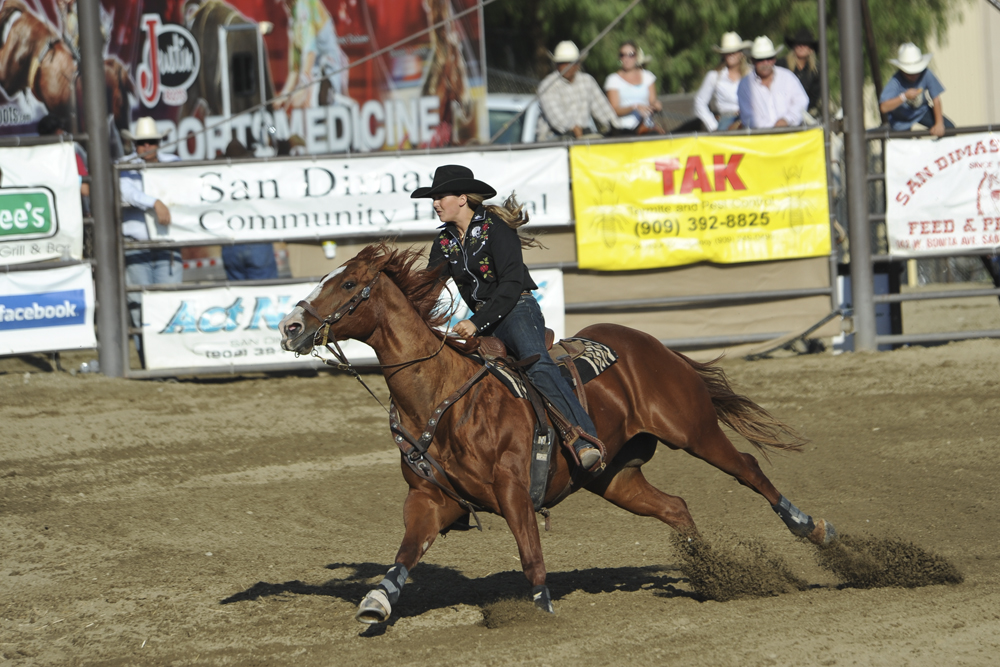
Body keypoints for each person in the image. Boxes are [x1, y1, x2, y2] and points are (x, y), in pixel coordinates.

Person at [418, 165, 604, 472]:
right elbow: (428, 287)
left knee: (537, 364)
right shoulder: (444, 242)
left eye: (441, 196)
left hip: (518, 309)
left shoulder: (496, 228)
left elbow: (511, 282)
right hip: (486, 320)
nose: (435, 203)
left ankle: (584, 438)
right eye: (434, 198)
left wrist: (477, 322)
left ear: (462, 198)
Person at [119, 117, 182, 365]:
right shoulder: (123, 167)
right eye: (141, 143)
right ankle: (149, 361)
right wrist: (154, 202)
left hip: (168, 247)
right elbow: (127, 192)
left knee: (169, 304)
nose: (146, 147)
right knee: (139, 305)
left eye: (151, 142)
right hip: (138, 247)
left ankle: (169, 361)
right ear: (135, 145)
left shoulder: (174, 163)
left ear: (159, 142)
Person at [536, 40, 621, 141]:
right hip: (553, 139)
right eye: (562, 63)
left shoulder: (587, 81)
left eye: (570, 62)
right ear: (556, 65)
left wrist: (617, 128)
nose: (566, 66)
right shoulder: (547, 85)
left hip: (582, 137)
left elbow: (603, 110)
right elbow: (557, 119)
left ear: (578, 65)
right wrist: (574, 129)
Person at [219, 140, 278, 280]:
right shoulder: (257, 179)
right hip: (257, 237)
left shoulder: (221, 181)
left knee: (239, 296)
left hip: (231, 241)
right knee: (267, 293)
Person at [276, 0, 350, 109]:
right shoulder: (293, 19)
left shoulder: (305, 4)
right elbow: (295, 69)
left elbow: (310, 51)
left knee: (311, 104)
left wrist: (302, 87)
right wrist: (284, 95)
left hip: (329, 70)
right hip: (315, 76)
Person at [878, 43, 954, 138]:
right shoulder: (895, 81)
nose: (914, 75)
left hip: (921, 111)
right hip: (900, 119)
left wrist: (939, 123)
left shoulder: (926, 74)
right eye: (909, 72)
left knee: (949, 128)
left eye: (916, 71)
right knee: (903, 146)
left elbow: (936, 98)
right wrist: (904, 97)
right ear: (902, 70)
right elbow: (884, 107)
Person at [737, 36, 809, 129]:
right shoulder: (745, 85)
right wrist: (774, 127)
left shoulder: (787, 77)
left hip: (790, 134)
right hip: (760, 138)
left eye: (769, 58)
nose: (765, 63)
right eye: (760, 59)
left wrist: (787, 119)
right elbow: (748, 117)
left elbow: (801, 101)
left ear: (774, 59)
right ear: (753, 61)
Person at [694, 32, 751, 132]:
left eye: (734, 51)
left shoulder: (751, 74)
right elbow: (699, 102)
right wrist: (712, 125)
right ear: (723, 55)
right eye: (727, 52)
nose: (730, 54)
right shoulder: (714, 76)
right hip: (727, 118)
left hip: (749, 116)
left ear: (741, 53)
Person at [604, 41, 663, 134]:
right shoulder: (613, 80)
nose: (626, 58)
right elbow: (615, 110)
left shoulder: (648, 77)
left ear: (636, 57)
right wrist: (634, 107)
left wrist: (656, 105)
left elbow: (652, 100)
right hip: (623, 129)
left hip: (646, 127)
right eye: (622, 55)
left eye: (630, 55)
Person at [37, 112, 90, 213]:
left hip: (41, 213)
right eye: (62, 130)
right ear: (58, 132)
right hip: (68, 216)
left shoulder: (33, 157)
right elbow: (85, 190)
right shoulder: (70, 156)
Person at [784, 28, 821, 117]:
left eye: (805, 44)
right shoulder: (782, 65)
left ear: (811, 49)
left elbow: (815, 96)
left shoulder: (816, 71)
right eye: (798, 44)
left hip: (806, 114)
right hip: (783, 113)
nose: (801, 47)